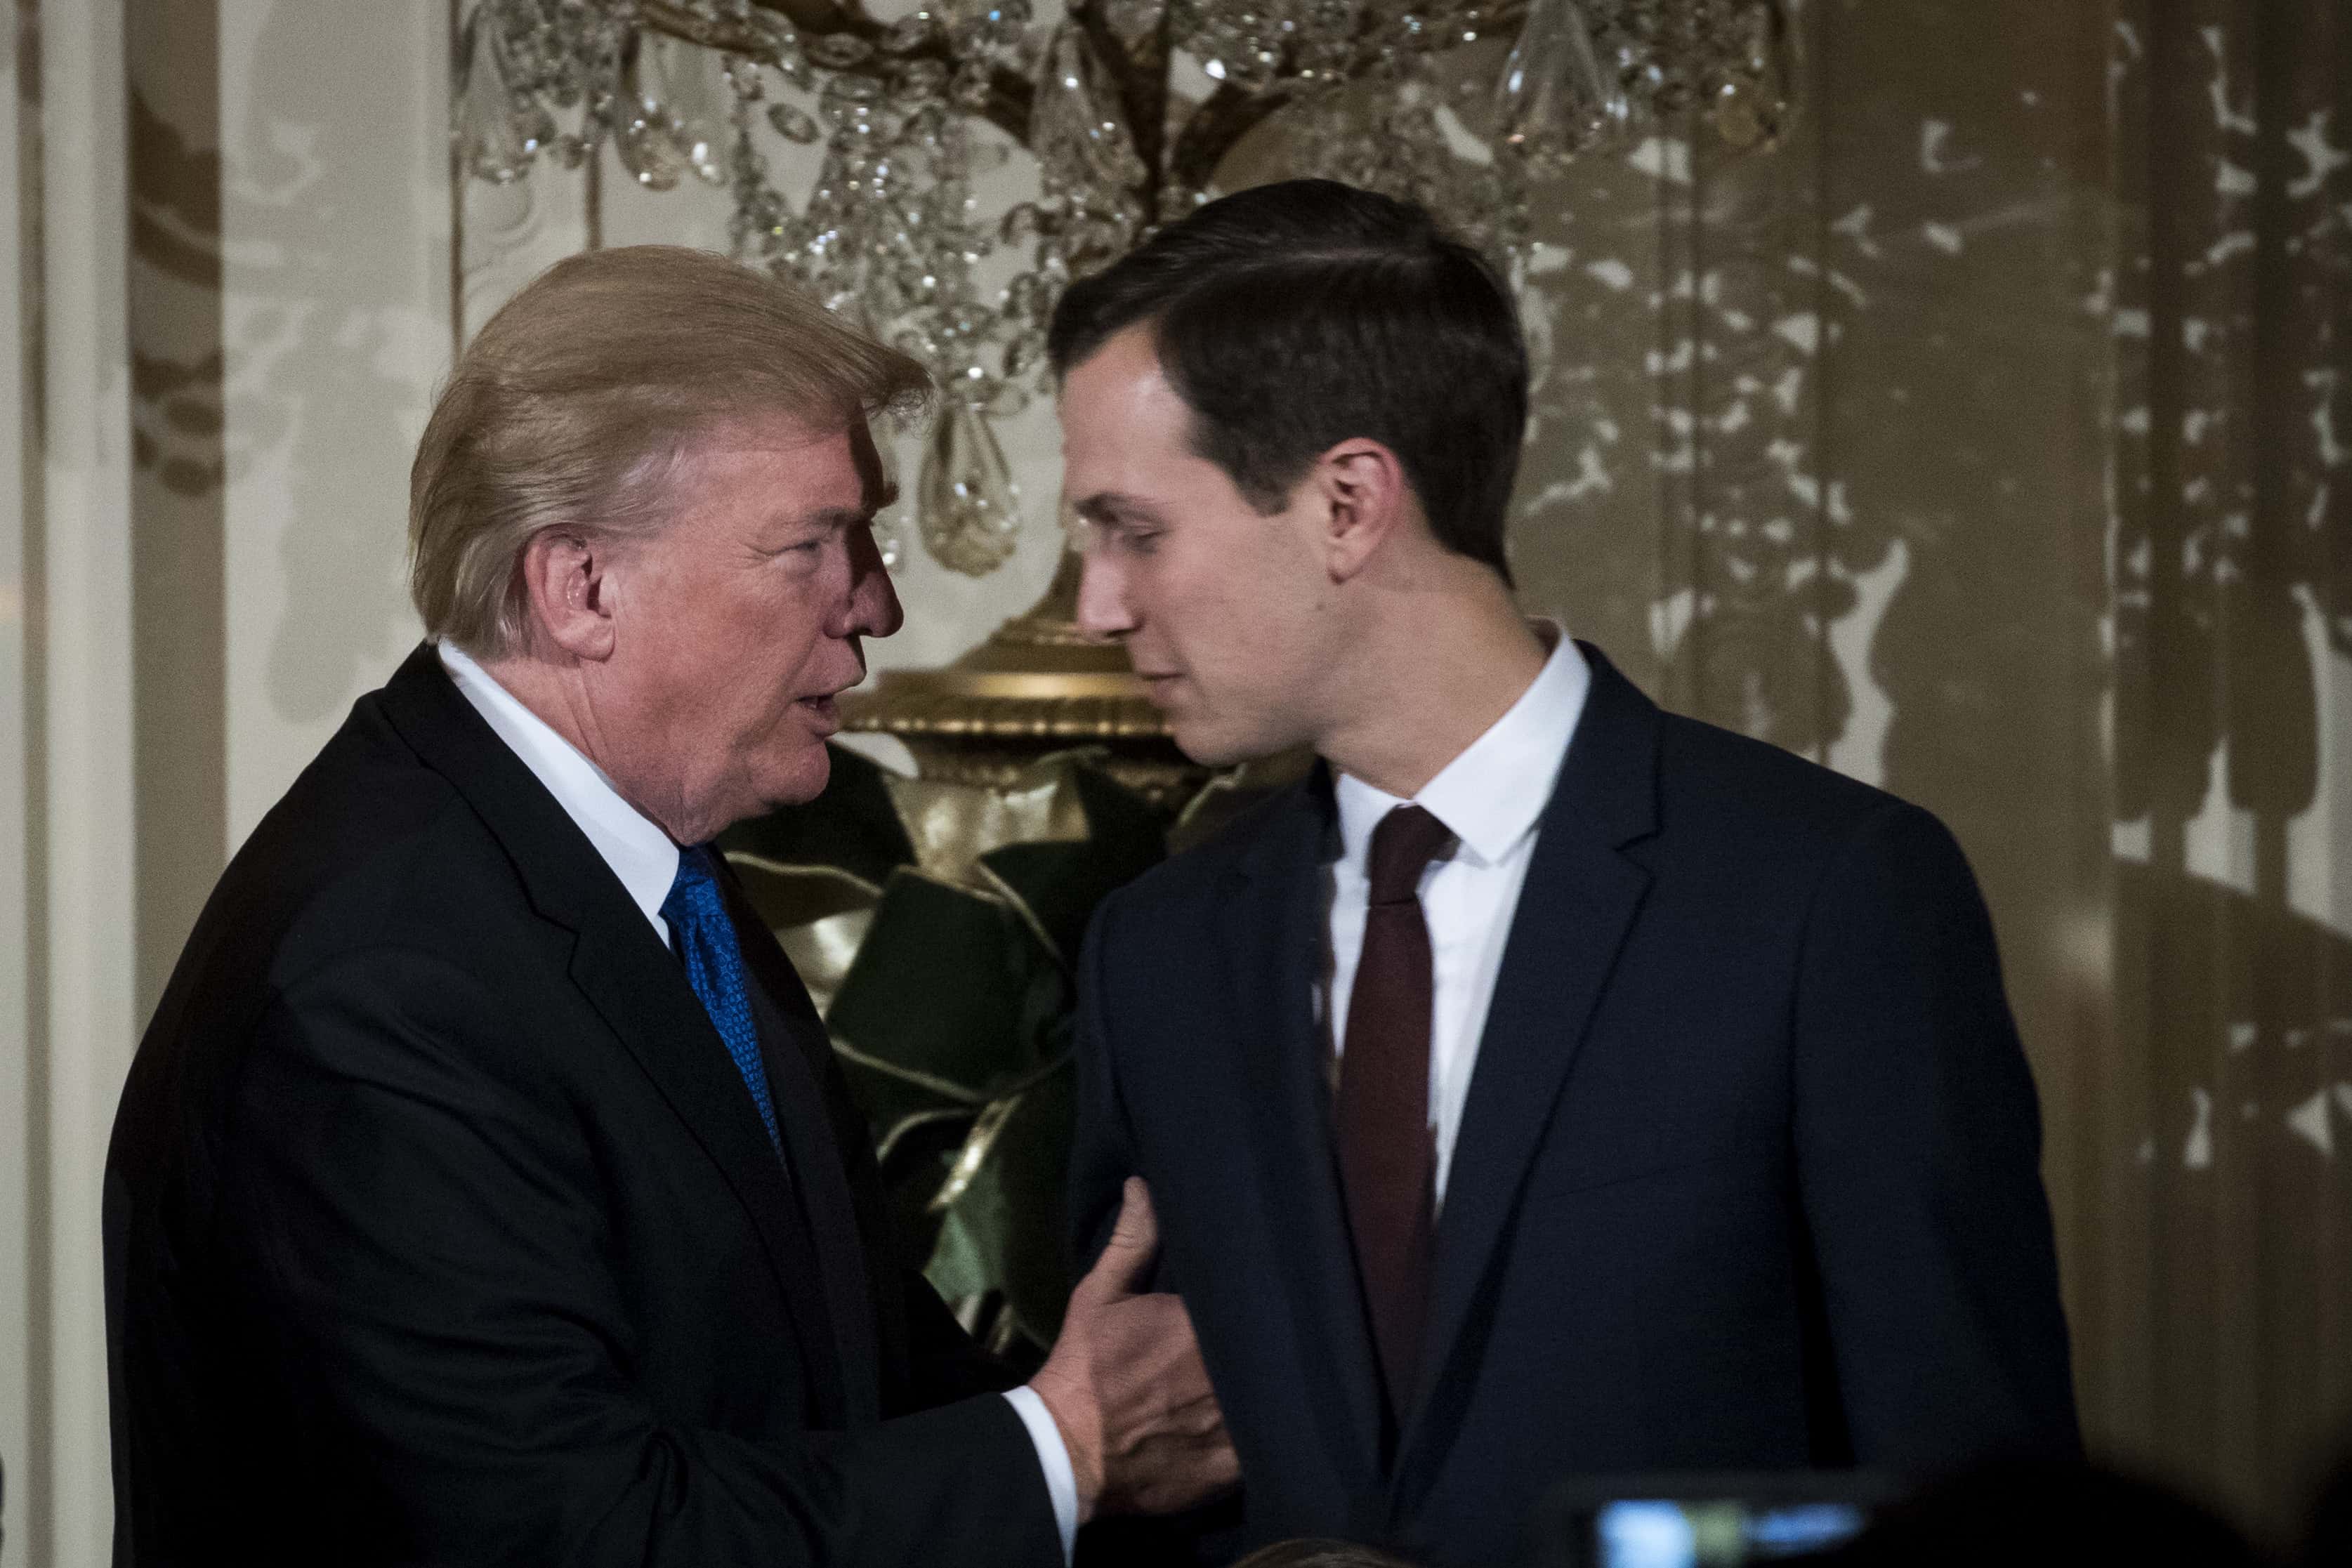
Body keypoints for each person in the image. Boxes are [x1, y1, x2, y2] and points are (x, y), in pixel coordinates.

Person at [104, 244, 1235, 1567]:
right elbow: (568, 1538)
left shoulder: (640, 871)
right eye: (813, 545)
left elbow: (844, 1382)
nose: (875, 605)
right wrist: (1062, 1449)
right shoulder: (382, 979)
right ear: (579, 586)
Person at [1051, 180, 2080, 1567]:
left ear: (1348, 502)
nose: (1096, 604)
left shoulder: (1823, 897)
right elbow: (1143, 1478)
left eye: (1135, 529)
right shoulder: (1159, 947)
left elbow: (1973, 1500)